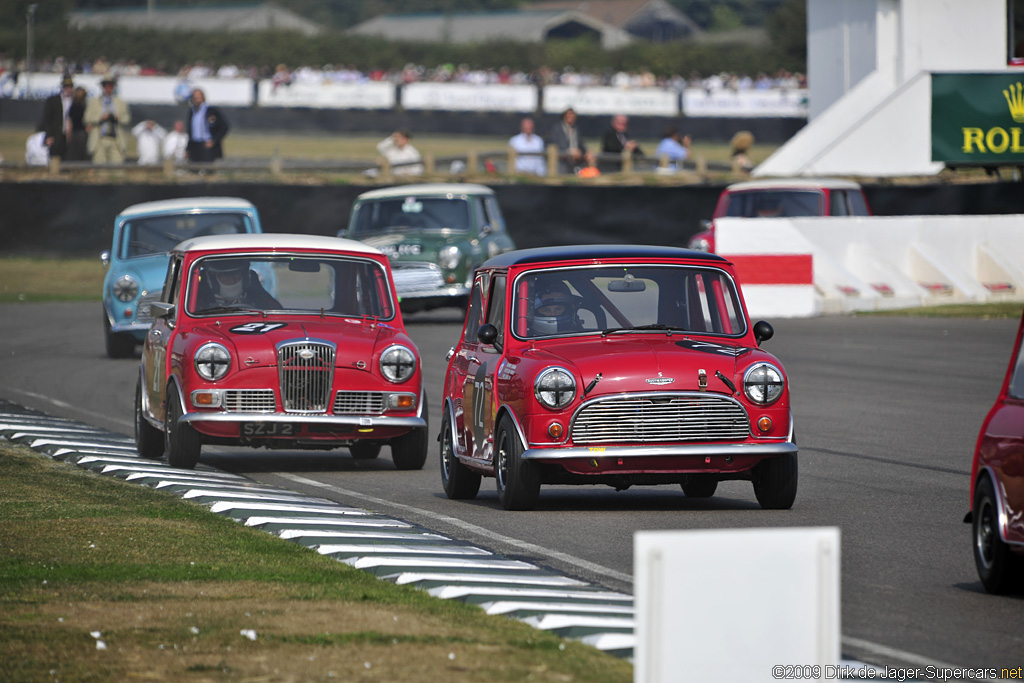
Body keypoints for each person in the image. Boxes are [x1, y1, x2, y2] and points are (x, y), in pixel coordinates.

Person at [196, 259, 280, 311]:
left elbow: (277, 313)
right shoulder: (198, 304)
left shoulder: (259, 298)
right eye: (225, 275)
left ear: (245, 277)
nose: (232, 279)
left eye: (236, 273)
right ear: (213, 279)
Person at [84, 75, 131, 164]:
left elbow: (127, 119)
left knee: (117, 167)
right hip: (100, 139)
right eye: (106, 86)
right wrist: (100, 117)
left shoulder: (120, 102)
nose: (108, 88)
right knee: (100, 167)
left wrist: (118, 118)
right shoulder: (94, 101)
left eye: (111, 86)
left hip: (115, 140)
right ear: (103, 87)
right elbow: (87, 118)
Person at [186, 88, 229, 162]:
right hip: (195, 146)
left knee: (208, 169)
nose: (197, 99)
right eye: (195, 97)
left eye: (199, 96)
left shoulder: (211, 111)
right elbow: (190, 131)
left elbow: (224, 127)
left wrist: (214, 140)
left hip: (207, 145)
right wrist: (188, 148)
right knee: (194, 170)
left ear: (203, 97)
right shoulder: (192, 112)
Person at [39, 74, 75, 161]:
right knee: (55, 159)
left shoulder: (75, 101)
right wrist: (49, 135)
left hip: (70, 136)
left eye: (70, 86)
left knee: (69, 159)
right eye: (66, 86)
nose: (68, 89)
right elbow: (47, 120)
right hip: (57, 135)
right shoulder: (53, 100)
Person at [548, 108, 593, 174]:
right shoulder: (557, 129)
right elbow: (553, 146)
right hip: (562, 164)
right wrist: (568, 151)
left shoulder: (576, 129)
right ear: (564, 116)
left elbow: (580, 145)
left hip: (575, 164)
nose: (571, 117)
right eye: (569, 115)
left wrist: (586, 152)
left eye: (573, 116)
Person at [65, 87, 90, 162]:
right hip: (82, 134)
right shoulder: (84, 107)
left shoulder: (72, 107)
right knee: (83, 154)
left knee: (74, 156)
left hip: (75, 134)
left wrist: (68, 135)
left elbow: (70, 123)